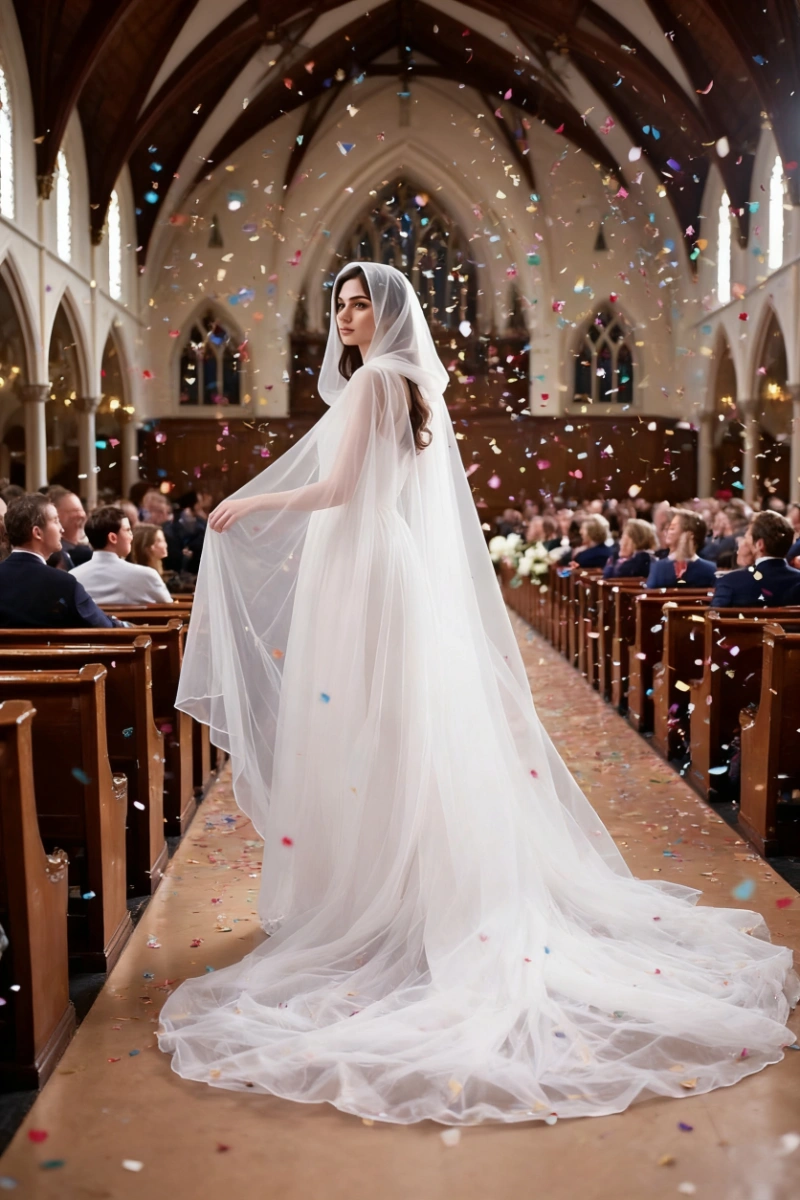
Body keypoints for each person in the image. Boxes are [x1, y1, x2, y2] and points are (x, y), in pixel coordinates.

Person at [158, 261, 798, 1127]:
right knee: (378, 729)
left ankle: (399, 899)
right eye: (339, 305)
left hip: (365, 563)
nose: (346, 318)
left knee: (377, 728)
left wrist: (252, 502)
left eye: (358, 305)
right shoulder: (395, 383)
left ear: (386, 317)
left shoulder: (382, 380)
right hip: (367, 559)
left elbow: (342, 490)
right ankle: (385, 889)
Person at [0, 494, 123, 629]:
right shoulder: (64, 583)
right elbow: (104, 628)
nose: (61, 529)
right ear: (37, 533)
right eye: (55, 520)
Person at [70, 505, 174, 605]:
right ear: (113, 538)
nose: (131, 536)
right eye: (128, 530)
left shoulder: (73, 578)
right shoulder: (147, 575)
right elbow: (171, 610)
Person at [710, 512, 800, 608]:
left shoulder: (730, 582)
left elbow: (713, 618)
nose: (742, 543)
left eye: (746, 537)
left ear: (759, 545)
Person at [645, 510, 717, 588]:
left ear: (690, 535)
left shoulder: (660, 568)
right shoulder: (710, 568)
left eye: (672, 528)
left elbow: (648, 595)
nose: (668, 531)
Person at [46, 486, 93, 567]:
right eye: (75, 511)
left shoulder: (90, 546)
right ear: (55, 515)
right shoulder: (52, 553)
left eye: (81, 510)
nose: (81, 515)